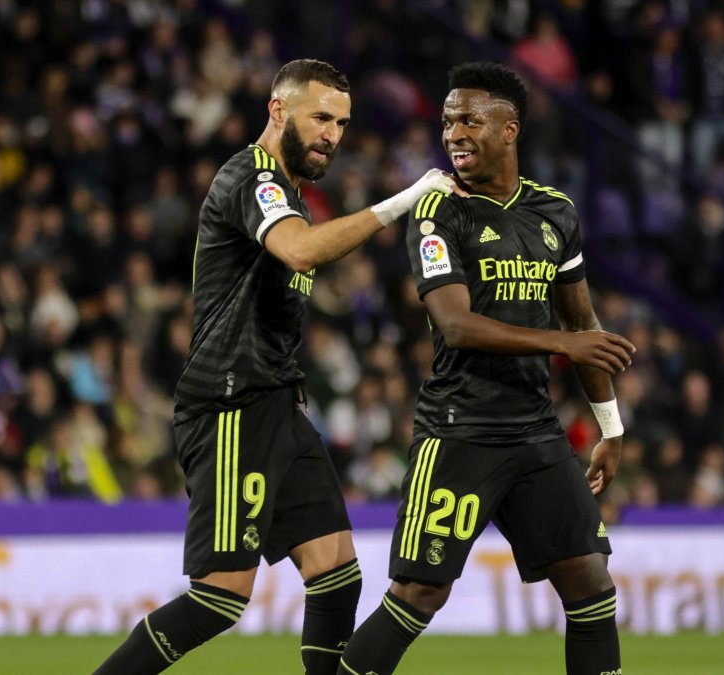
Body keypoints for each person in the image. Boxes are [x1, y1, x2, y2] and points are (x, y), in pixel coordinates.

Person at [94, 59, 460, 675]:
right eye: (321, 117)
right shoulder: (252, 177)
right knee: (219, 597)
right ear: (278, 111)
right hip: (230, 403)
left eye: (342, 123)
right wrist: (404, 200)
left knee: (338, 575)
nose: (332, 135)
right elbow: (297, 250)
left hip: (279, 405)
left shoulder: (287, 193)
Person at [338, 62, 634, 675]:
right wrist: (564, 344)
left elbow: (585, 328)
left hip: (535, 430)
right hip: (459, 427)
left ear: (510, 129)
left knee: (590, 581)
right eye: (447, 122)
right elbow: (456, 325)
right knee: (421, 593)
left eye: (470, 119)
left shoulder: (555, 213)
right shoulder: (439, 211)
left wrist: (610, 426)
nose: (453, 133)